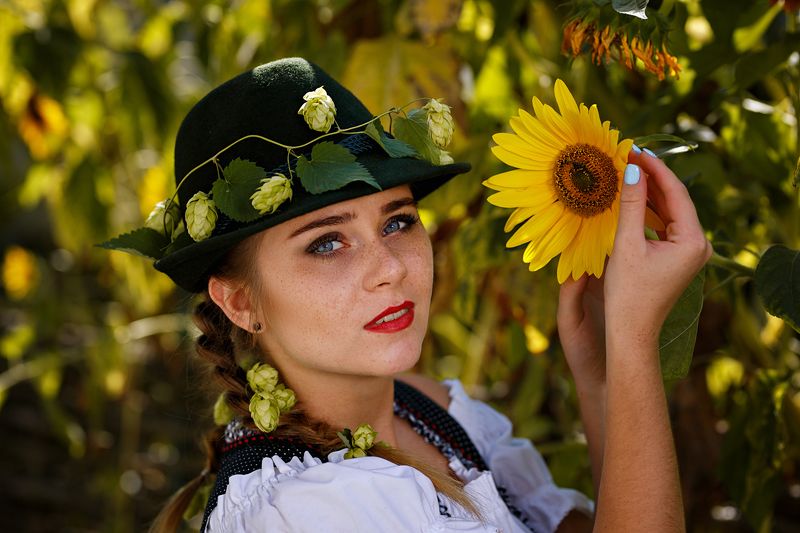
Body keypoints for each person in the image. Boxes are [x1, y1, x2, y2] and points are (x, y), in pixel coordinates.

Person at [114, 57, 711, 532]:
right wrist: (636, 343)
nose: (389, 270)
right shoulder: (304, 512)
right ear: (240, 302)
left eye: (398, 222)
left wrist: (603, 374)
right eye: (326, 244)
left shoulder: (431, 410)